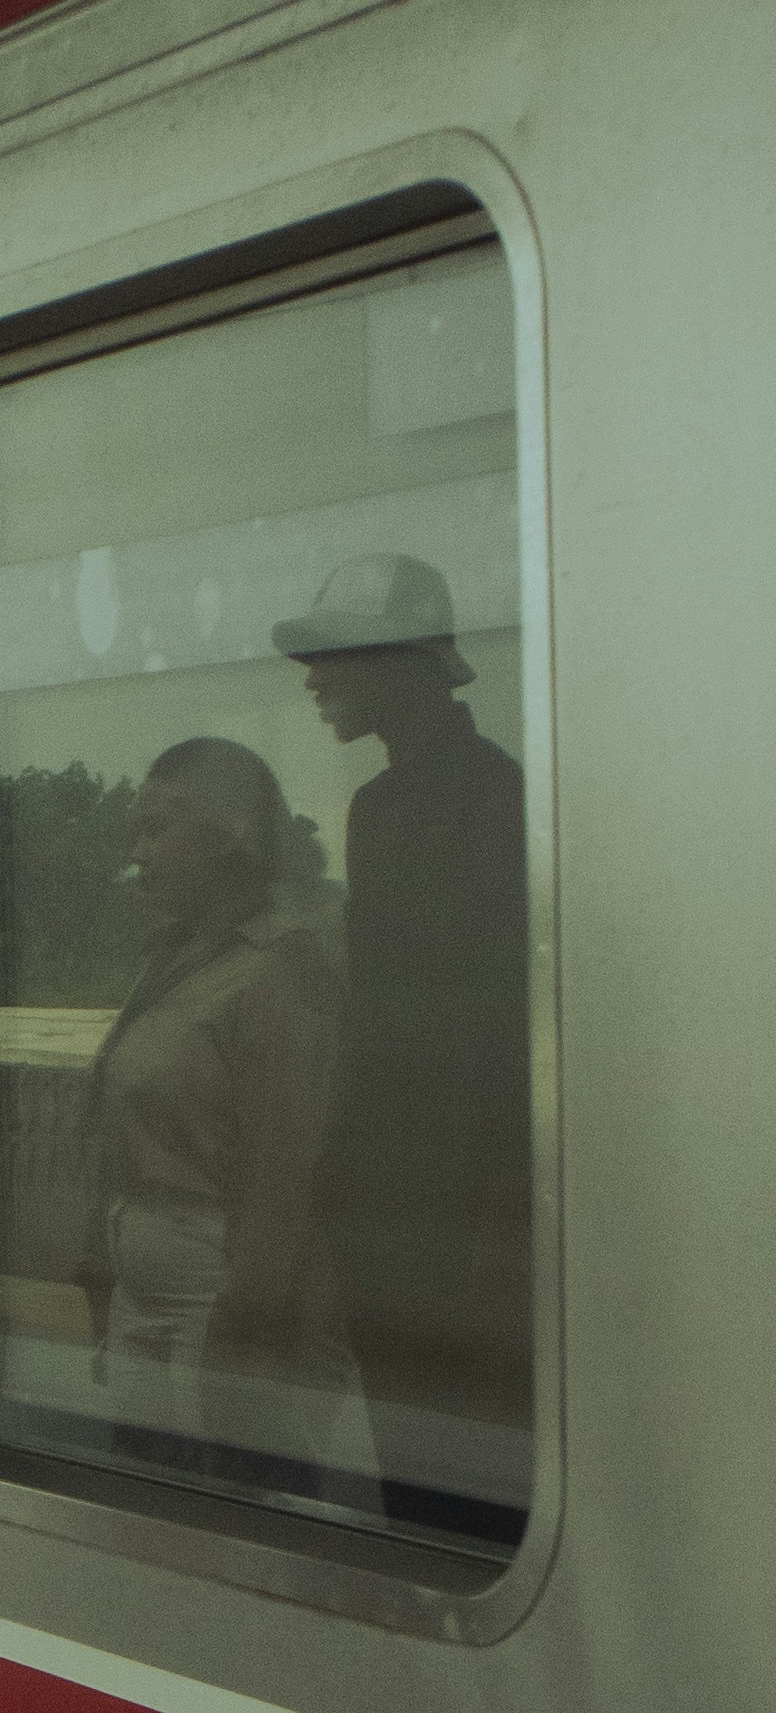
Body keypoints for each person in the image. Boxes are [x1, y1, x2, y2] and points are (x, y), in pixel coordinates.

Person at [274, 552, 532, 1540]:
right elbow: (386, 1015)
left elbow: (497, 1021)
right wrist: (342, 1158)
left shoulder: (494, 801)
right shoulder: (379, 809)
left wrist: (502, 1215)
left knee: (471, 1484)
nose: (314, 680)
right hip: (389, 1202)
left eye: (335, 656)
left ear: (410, 665)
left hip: (464, 1214)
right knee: (406, 1472)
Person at [82, 737, 346, 1491]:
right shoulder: (175, 958)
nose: (139, 854)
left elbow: (285, 1168)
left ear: (228, 834)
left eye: (158, 830)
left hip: (222, 1285)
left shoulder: (283, 967)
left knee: (237, 1506)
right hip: (145, 1282)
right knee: (148, 1507)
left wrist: (245, 1322)